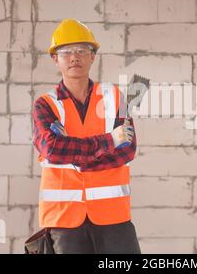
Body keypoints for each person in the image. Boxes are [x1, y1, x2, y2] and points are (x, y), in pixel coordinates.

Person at [32, 18, 141, 254]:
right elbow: (52, 150)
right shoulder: (46, 105)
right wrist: (109, 140)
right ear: (55, 58)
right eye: (66, 51)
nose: (75, 57)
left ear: (93, 56)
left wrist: (75, 155)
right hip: (64, 220)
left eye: (82, 50)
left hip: (113, 218)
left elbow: (127, 150)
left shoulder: (114, 97)